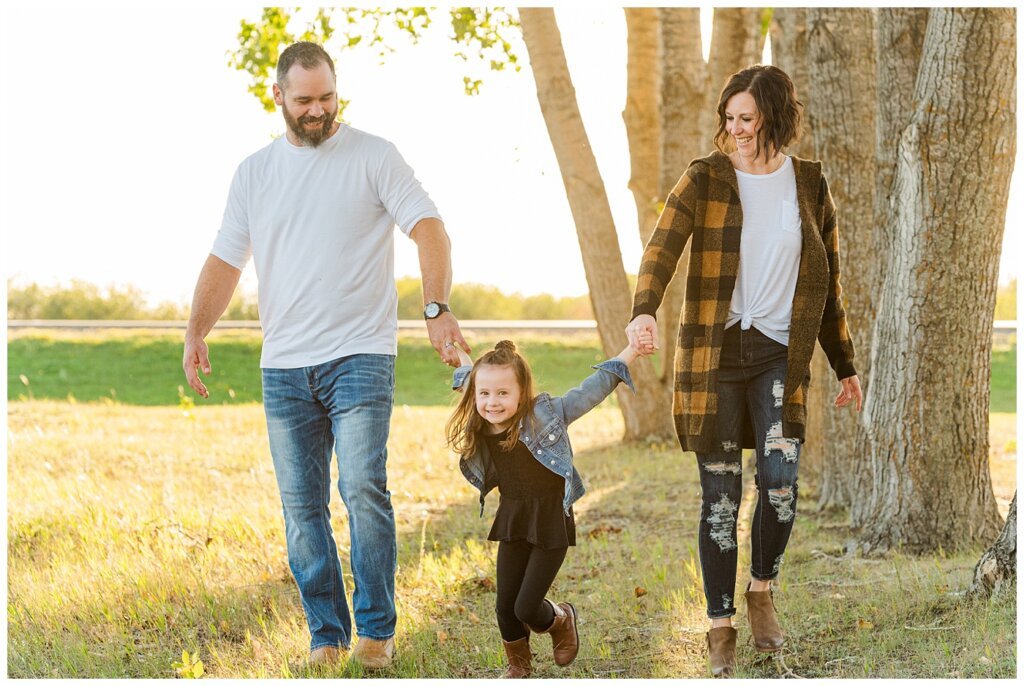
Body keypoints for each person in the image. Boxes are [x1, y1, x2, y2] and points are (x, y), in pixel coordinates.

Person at [181, 41, 468, 670]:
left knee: (363, 486)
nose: (317, 111)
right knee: (301, 506)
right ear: (277, 97)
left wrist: (436, 306)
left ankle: (375, 631)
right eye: (305, 100)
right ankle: (326, 634)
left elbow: (429, 227)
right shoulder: (254, 172)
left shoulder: (373, 155)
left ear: (339, 92)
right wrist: (197, 329)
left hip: (360, 353)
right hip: (283, 364)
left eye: (327, 98)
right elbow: (227, 258)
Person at [625, 64, 863, 678]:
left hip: (780, 356)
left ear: (776, 118)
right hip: (715, 359)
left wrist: (845, 365)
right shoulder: (704, 178)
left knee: (780, 489)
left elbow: (826, 283)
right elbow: (661, 249)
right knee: (721, 499)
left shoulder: (808, 184)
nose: (735, 130)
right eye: (729, 119)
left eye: (747, 119)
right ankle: (719, 623)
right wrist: (643, 311)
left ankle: (762, 588)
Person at [446, 338, 650, 678]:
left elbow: (592, 390)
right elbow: (469, 380)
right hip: (513, 518)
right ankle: (519, 666)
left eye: (502, 394)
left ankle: (561, 618)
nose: (491, 402)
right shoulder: (481, 411)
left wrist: (631, 350)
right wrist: (462, 357)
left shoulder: (547, 414)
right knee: (505, 608)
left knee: (526, 606)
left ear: (522, 391)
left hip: (551, 520)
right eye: (485, 394)